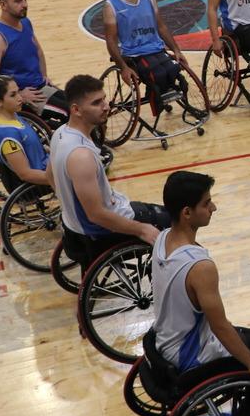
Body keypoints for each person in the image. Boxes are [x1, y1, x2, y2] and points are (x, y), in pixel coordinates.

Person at [150, 170, 250, 392]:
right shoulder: (201, 267)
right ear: (187, 212)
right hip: (190, 354)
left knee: (248, 338)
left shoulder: (162, 238)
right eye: (206, 203)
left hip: (165, 339)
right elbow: (219, 326)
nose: (214, 208)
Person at [48, 74, 169, 270]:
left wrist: (69, 204)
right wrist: (142, 229)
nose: (106, 106)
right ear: (76, 110)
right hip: (97, 233)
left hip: (73, 226)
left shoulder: (60, 133)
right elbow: (96, 215)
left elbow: (49, 176)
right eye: (96, 103)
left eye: (104, 99)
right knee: (175, 220)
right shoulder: (81, 156)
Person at [103, 0, 191, 116]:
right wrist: (123, 67)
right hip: (135, 55)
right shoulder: (111, 6)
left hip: (157, 50)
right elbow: (111, 41)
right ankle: (157, 103)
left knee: (173, 69)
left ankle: (162, 95)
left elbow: (162, 26)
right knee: (156, 75)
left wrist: (177, 50)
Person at [0, 0, 68, 127]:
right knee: (71, 112)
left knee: (82, 105)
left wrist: (44, 76)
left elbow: (38, 51)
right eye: (18, 1)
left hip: (40, 87)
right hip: (26, 96)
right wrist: (19, 95)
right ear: (3, 5)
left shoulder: (25, 22)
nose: (25, 4)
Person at [0, 75, 51, 192]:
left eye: (19, 92)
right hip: (40, 182)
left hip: (48, 165)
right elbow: (26, 174)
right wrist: (60, 179)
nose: (20, 98)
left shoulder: (12, 116)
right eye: (13, 95)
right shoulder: (8, 136)